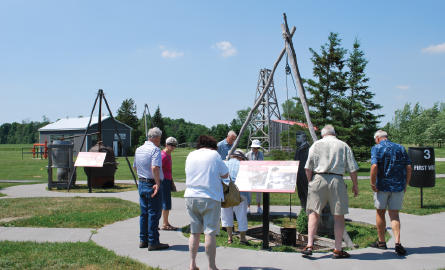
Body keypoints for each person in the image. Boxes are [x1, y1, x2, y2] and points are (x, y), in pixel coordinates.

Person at [301, 125, 359, 259]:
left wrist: (310, 182)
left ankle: (309, 245)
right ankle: (338, 249)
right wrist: (355, 184)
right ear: (334, 134)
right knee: (338, 215)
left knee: (313, 213)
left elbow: (308, 166)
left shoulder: (316, 145)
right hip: (336, 179)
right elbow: (352, 167)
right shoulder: (343, 145)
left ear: (323, 135)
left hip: (319, 177)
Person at [185, 135, 229, 270]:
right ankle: (212, 266)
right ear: (212, 146)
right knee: (210, 232)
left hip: (190, 196)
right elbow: (225, 174)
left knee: (194, 232)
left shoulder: (191, 154)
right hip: (209, 197)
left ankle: (192, 264)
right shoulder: (214, 155)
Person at [369, 130, 412, 255]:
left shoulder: (376, 148)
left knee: (380, 213)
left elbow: (374, 166)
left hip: (381, 187)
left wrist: (373, 184)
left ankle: (381, 242)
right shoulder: (400, 148)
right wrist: (406, 183)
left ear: (377, 138)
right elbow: (408, 167)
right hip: (398, 186)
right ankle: (398, 242)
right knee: (394, 215)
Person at [133, 127, 169, 251]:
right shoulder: (155, 150)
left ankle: (143, 239)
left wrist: (141, 177)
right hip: (152, 183)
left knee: (144, 214)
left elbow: (135, 166)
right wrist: (157, 183)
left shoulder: (139, 149)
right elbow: (155, 167)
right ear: (157, 137)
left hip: (142, 182)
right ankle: (153, 241)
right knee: (154, 213)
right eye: (160, 138)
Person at [220, 150, 249, 245]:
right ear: (241, 157)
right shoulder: (243, 165)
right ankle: (243, 238)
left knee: (227, 215)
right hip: (240, 192)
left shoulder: (224, 163)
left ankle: (229, 238)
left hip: (226, 193)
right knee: (241, 215)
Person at [160, 137, 178, 231]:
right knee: (165, 203)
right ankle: (165, 224)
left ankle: (165, 222)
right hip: (163, 181)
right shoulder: (163, 155)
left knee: (165, 203)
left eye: (175, 145)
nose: (173, 147)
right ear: (166, 145)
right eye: (171, 145)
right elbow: (157, 168)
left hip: (167, 180)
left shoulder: (168, 154)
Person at [246, 139, 264, 214]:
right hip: (250, 176)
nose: (256, 149)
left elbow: (262, 164)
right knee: (249, 193)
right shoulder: (248, 154)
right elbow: (245, 165)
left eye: (257, 148)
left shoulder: (261, 154)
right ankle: (248, 207)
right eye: (254, 148)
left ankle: (258, 207)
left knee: (258, 192)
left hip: (258, 175)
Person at [294, 131, 310, 211]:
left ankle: (308, 210)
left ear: (303, 138)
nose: (297, 140)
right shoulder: (298, 149)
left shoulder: (308, 149)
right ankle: (303, 209)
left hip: (306, 176)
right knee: (301, 194)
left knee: (307, 193)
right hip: (298, 175)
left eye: (298, 137)